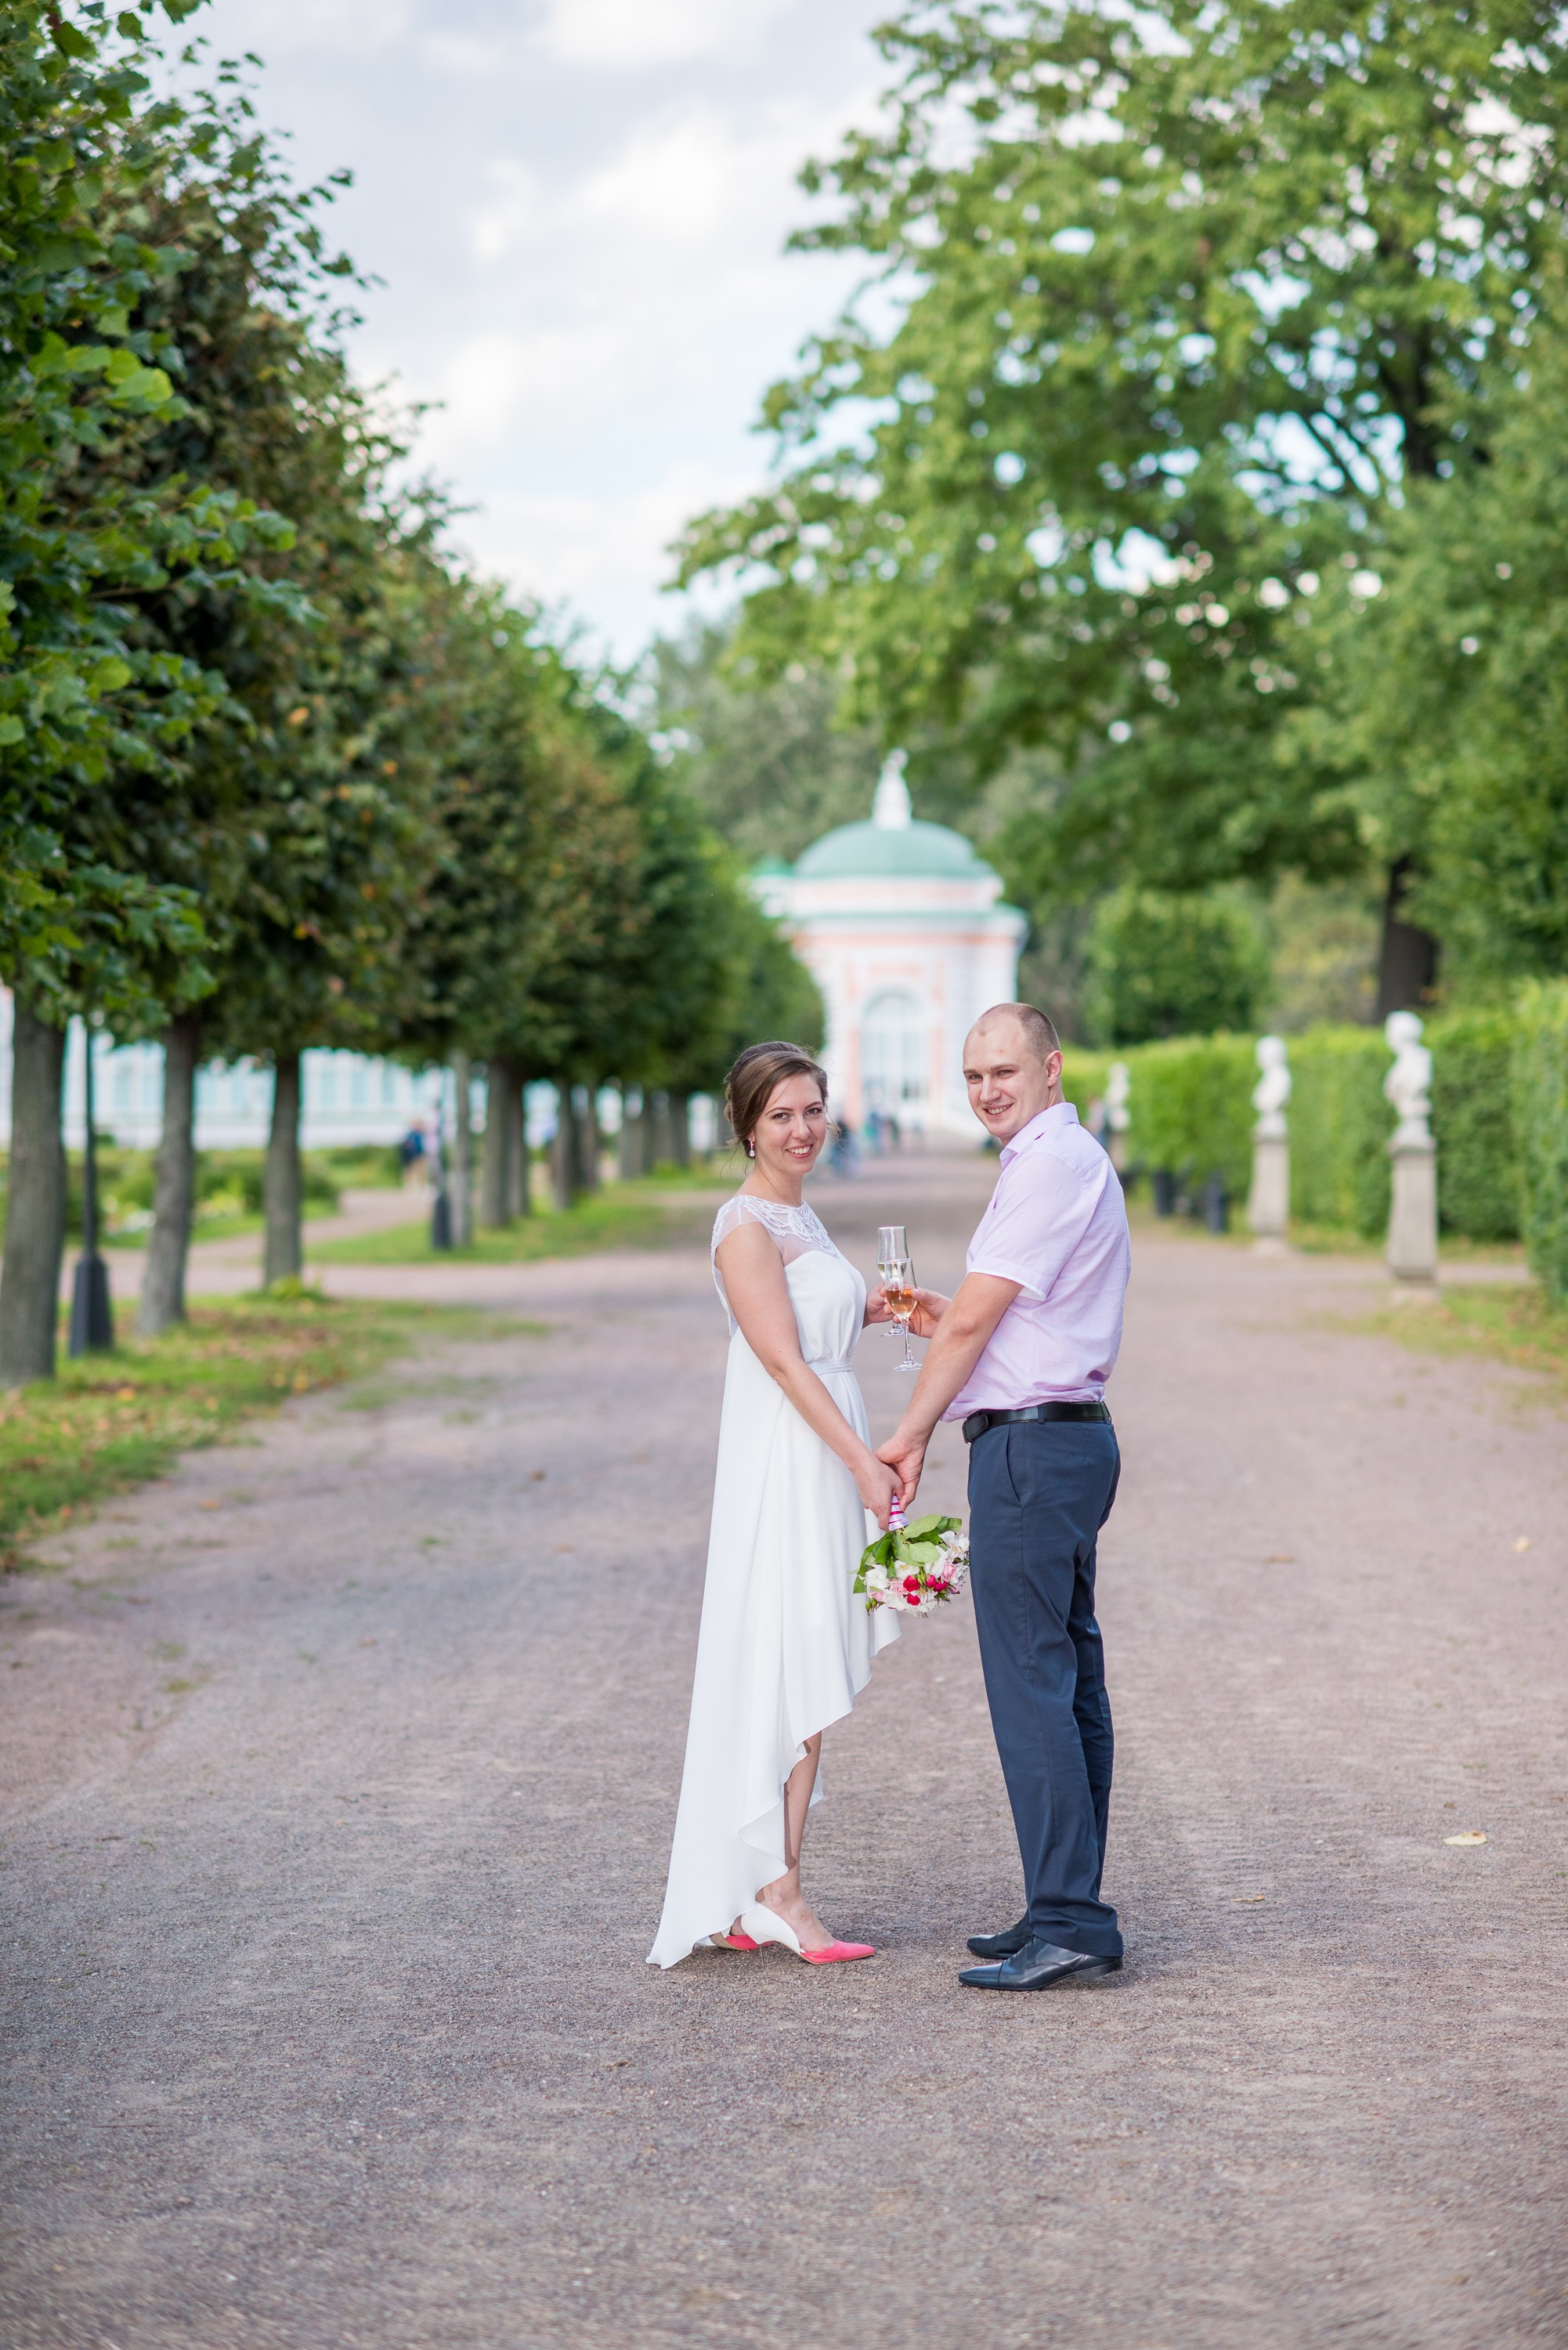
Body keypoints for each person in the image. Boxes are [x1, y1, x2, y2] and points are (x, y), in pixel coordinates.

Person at [877, 1003, 1131, 1992]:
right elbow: (998, 1316)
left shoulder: (1048, 1165)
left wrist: (907, 1437)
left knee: (1034, 1687)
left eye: (1004, 1072)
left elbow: (970, 1326)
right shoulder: (1054, 1160)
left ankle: (1070, 1917)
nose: (988, 1090)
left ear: (1050, 1068)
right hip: (1059, 1440)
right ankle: (1061, 1900)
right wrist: (956, 1317)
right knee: (1063, 1680)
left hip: (1032, 1452)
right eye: (974, 1076)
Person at [648, 1041, 905, 1970]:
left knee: (804, 1656)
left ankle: (763, 1883)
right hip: (795, 1457)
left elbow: (810, 1329)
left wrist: (878, 1310)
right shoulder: (745, 1226)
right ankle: (777, 1890)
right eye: (781, 1115)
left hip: (823, 1441)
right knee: (794, 1656)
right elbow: (783, 1361)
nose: (802, 1130)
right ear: (747, 1128)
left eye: (812, 1110)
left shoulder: (800, 1214)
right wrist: (861, 1463)